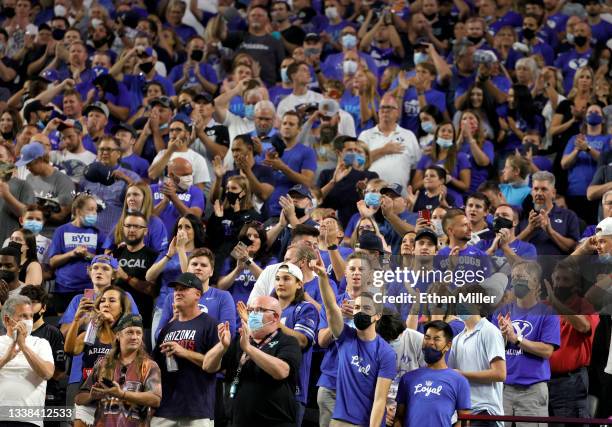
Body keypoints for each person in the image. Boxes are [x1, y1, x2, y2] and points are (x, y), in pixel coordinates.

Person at [314, 251, 396, 426]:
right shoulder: (345, 336)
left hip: (367, 381)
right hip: (332, 380)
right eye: (352, 268)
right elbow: (329, 311)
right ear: (345, 272)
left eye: (361, 269)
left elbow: (389, 337)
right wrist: (322, 277)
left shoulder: (381, 307)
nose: (356, 272)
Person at [202, 295, 303, 427]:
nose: (253, 314)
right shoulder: (239, 342)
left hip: (275, 423)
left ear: (276, 317)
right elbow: (208, 366)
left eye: (259, 310)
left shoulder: (287, 341)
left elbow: (282, 371)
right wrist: (222, 346)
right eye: (251, 310)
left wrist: (249, 349)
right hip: (236, 422)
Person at [495, 261, 561, 425]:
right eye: (514, 277)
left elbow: (547, 351)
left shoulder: (548, 313)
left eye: (521, 277)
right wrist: (502, 337)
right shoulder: (501, 312)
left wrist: (516, 339)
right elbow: (492, 349)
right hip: (504, 389)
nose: (516, 281)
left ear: (535, 283)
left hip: (532, 390)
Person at [152, 272, 220, 427]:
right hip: (164, 409)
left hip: (196, 409)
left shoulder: (210, 325)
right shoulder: (167, 328)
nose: (178, 293)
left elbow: (216, 366)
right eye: (176, 289)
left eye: (183, 289)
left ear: (197, 294)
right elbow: (155, 365)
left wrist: (184, 352)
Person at [75, 314, 162, 427]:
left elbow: (155, 399)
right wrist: (92, 396)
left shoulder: (150, 365)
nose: (135, 337)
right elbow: (79, 399)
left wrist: (122, 394)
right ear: (118, 335)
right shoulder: (103, 364)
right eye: (130, 332)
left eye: (138, 333)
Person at [64, 285, 132, 427]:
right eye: (103, 301)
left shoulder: (127, 334)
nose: (106, 304)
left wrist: (110, 323)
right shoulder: (90, 334)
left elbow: (125, 355)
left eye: (112, 300)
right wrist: (77, 319)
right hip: (87, 397)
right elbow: (69, 349)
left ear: (121, 308)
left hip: (115, 400)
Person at [394, 320, 472, 427]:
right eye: (427, 337)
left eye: (436, 339)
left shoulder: (459, 381)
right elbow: (398, 418)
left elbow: (464, 421)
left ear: (448, 345)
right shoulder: (407, 378)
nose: (430, 342)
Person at [448, 284, 506, 426]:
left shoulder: (490, 331)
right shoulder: (457, 339)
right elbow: (452, 376)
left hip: (486, 412)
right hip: (463, 413)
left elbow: (500, 373)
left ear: (479, 304)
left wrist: (463, 374)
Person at [156, 248, 236, 340]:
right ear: (187, 268)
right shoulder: (173, 297)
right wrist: (174, 320)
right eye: (194, 264)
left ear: (211, 271)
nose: (198, 267)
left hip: (208, 352)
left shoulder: (223, 297)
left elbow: (229, 333)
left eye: (203, 265)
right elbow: (157, 336)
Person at [0, 295, 54, 427]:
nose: (29, 321)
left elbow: (47, 373)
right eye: (23, 316)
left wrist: (23, 346)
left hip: (29, 420)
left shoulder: (41, 343)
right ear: (7, 320)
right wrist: (5, 359)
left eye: (30, 316)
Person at [48, 194, 106, 314]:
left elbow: (105, 261)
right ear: (78, 211)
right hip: (63, 288)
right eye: (90, 209)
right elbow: (53, 261)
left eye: (96, 210)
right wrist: (72, 253)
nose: (94, 213)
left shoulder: (98, 233)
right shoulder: (61, 231)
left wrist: (88, 256)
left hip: (89, 288)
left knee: (85, 321)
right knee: (63, 324)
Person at [19, 285, 67, 421]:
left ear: (43, 308)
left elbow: (60, 372)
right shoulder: (15, 332)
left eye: (33, 303)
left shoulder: (52, 333)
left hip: (48, 398)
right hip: (20, 398)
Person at [80, 135, 141, 236]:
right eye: (101, 149)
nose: (104, 153)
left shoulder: (130, 176)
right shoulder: (88, 174)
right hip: (87, 232)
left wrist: (125, 179)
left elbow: (142, 197)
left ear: (118, 153)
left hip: (114, 233)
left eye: (109, 149)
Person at [358, 94, 420, 191]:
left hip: (400, 196)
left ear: (397, 112)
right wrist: (383, 150)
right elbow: (358, 163)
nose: (385, 110)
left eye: (390, 107)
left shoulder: (409, 135)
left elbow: (416, 168)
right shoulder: (365, 135)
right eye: (382, 107)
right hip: (371, 195)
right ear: (378, 112)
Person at [112, 211, 159, 328]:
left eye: (137, 226)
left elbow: (152, 290)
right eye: (128, 226)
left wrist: (125, 277)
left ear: (145, 231)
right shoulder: (116, 253)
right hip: (114, 318)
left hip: (140, 319)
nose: (131, 230)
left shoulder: (153, 256)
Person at [516, 171, 580, 256]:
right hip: (526, 267)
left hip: (558, 267)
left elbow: (573, 248)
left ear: (553, 193)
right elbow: (513, 247)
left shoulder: (569, 215)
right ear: (531, 192)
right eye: (535, 189)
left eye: (544, 189)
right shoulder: (522, 215)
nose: (538, 193)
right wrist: (529, 229)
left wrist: (550, 231)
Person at [105, 181, 169, 254]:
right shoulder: (121, 222)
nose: (131, 198)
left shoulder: (156, 224)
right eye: (128, 195)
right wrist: (119, 253)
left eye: (135, 195)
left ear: (145, 198)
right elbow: (107, 251)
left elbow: (161, 254)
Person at [151, 157, 206, 240]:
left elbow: (195, 219)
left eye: (190, 174)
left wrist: (173, 197)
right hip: (154, 243)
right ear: (171, 175)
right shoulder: (152, 189)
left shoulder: (196, 192)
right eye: (185, 175)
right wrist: (164, 202)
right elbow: (143, 219)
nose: (189, 178)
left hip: (182, 245)